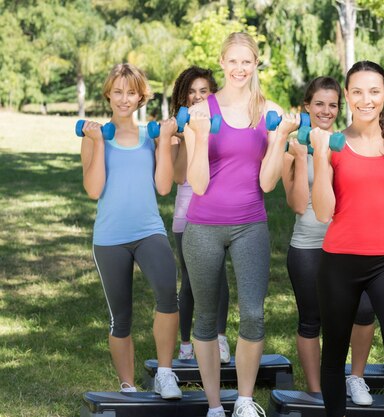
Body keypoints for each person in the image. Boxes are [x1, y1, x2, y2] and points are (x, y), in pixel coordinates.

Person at [182, 32, 298, 417]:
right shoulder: (201, 112)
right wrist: (198, 137)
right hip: (203, 227)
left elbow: (267, 183)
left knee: (253, 314)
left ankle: (245, 400)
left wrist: (279, 137)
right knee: (205, 316)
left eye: (246, 61)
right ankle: (215, 404)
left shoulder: (270, 112)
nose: (239, 68)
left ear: (256, 64)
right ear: (222, 61)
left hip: (250, 224)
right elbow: (197, 184)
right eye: (232, 61)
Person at [310, 60, 384, 417]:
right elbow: (321, 212)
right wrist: (319, 156)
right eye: (358, 91)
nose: (367, 99)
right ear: (347, 96)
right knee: (333, 353)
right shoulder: (333, 144)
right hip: (339, 260)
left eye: (375, 91)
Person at [80, 63, 182, 398]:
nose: (125, 99)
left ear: (141, 96)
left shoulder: (149, 137)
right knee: (120, 317)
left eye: (132, 92)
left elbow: (164, 187)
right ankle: (127, 386)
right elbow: (94, 190)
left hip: (148, 230)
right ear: (108, 93)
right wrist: (96, 142)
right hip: (110, 239)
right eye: (119, 91)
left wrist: (165, 141)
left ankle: (165, 373)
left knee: (168, 294)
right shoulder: (96, 137)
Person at [282, 76, 376, 405]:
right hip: (308, 244)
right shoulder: (292, 146)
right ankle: (317, 390)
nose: (326, 110)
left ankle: (356, 378)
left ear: (341, 107)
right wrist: (298, 156)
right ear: (306, 107)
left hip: (348, 244)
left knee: (364, 311)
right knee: (311, 319)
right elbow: (296, 204)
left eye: (332, 104)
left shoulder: (348, 142)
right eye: (318, 104)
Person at [169, 66, 231, 363]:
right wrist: (185, 136)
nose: (196, 97)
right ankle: (184, 344)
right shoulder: (175, 132)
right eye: (191, 92)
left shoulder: (221, 125)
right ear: (183, 97)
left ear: (212, 95)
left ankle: (220, 339)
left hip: (218, 213)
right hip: (187, 215)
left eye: (203, 91)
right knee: (191, 281)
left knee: (219, 278)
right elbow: (180, 177)